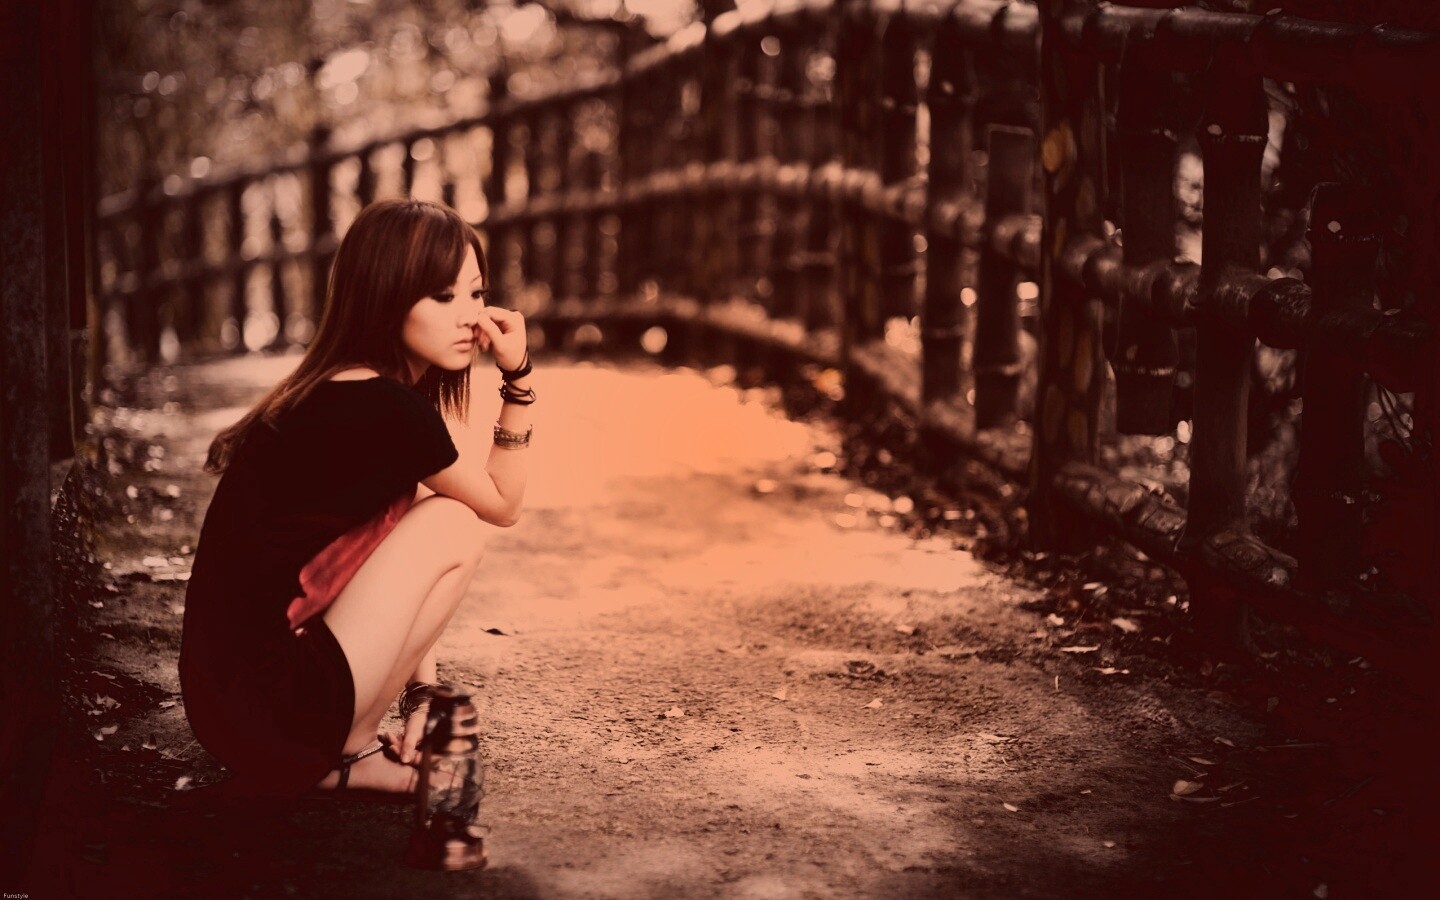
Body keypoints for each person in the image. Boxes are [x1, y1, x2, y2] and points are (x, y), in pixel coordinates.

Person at [179, 198, 533, 799]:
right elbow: (502, 503)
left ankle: (345, 747)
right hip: (270, 710)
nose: (469, 316)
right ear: (385, 297)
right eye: (441, 296)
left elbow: (391, 558)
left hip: (235, 711)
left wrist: (422, 691)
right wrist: (518, 378)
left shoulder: (345, 388)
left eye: (475, 293)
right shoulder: (382, 407)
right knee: (455, 521)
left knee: (437, 519)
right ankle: (348, 752)